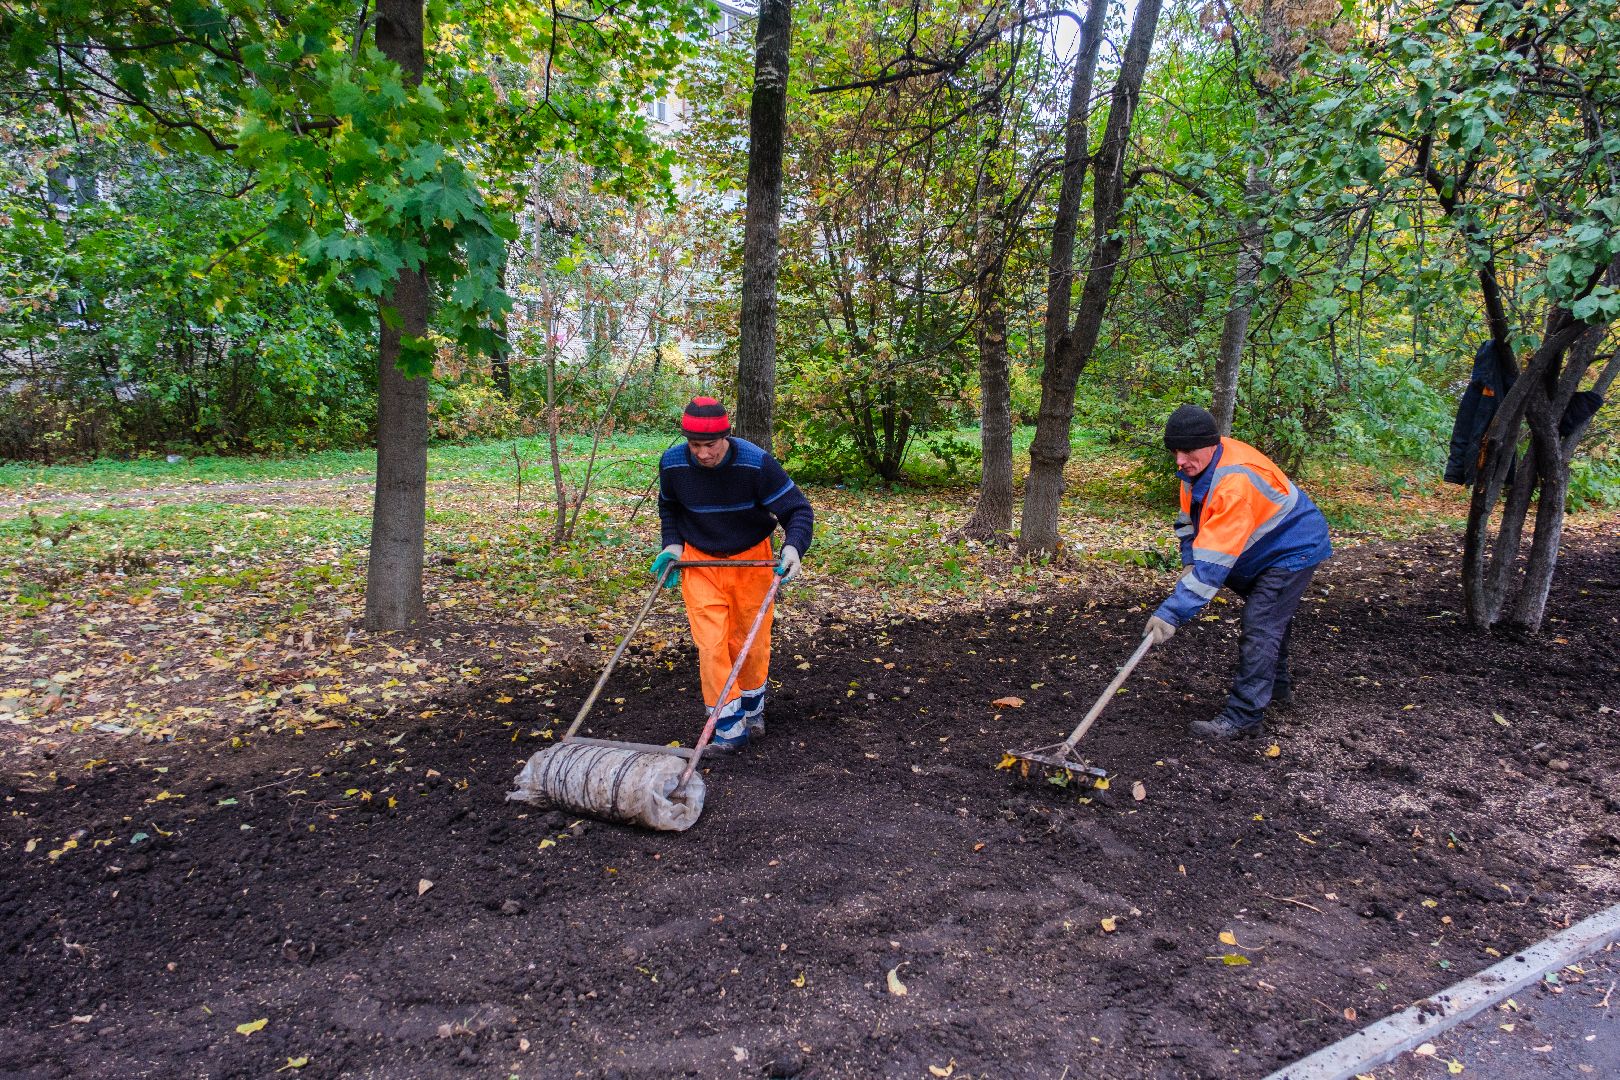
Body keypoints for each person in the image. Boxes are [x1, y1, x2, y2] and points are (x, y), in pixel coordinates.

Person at [1143, 405, 1332, 739]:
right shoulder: (1195, 473)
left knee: (1261, 624)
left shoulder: (1233, 481)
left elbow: (1214, 567)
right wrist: (1189, 561)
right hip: (1259, 549)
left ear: (1210, 445)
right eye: (1175, 452)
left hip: (1291, 548)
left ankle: (1244, 717)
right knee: (1270, 621)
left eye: (1187, 451)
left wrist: (1171, 613)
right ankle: (1276, 689)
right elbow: (1189, 522)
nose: (1179, 460)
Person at [653, 397, 813, 752]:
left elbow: (798, 510)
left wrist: (792, 549)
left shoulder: (756, 464)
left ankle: (752, 710)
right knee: (711, 646)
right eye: (695, 445)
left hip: (750, 561)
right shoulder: (674, 463)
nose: (702, 453)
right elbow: (670, 507)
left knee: (750, 644)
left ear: (726, 437)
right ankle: (727, 728)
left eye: (709, 445)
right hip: (700, 562)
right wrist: (672, 546)